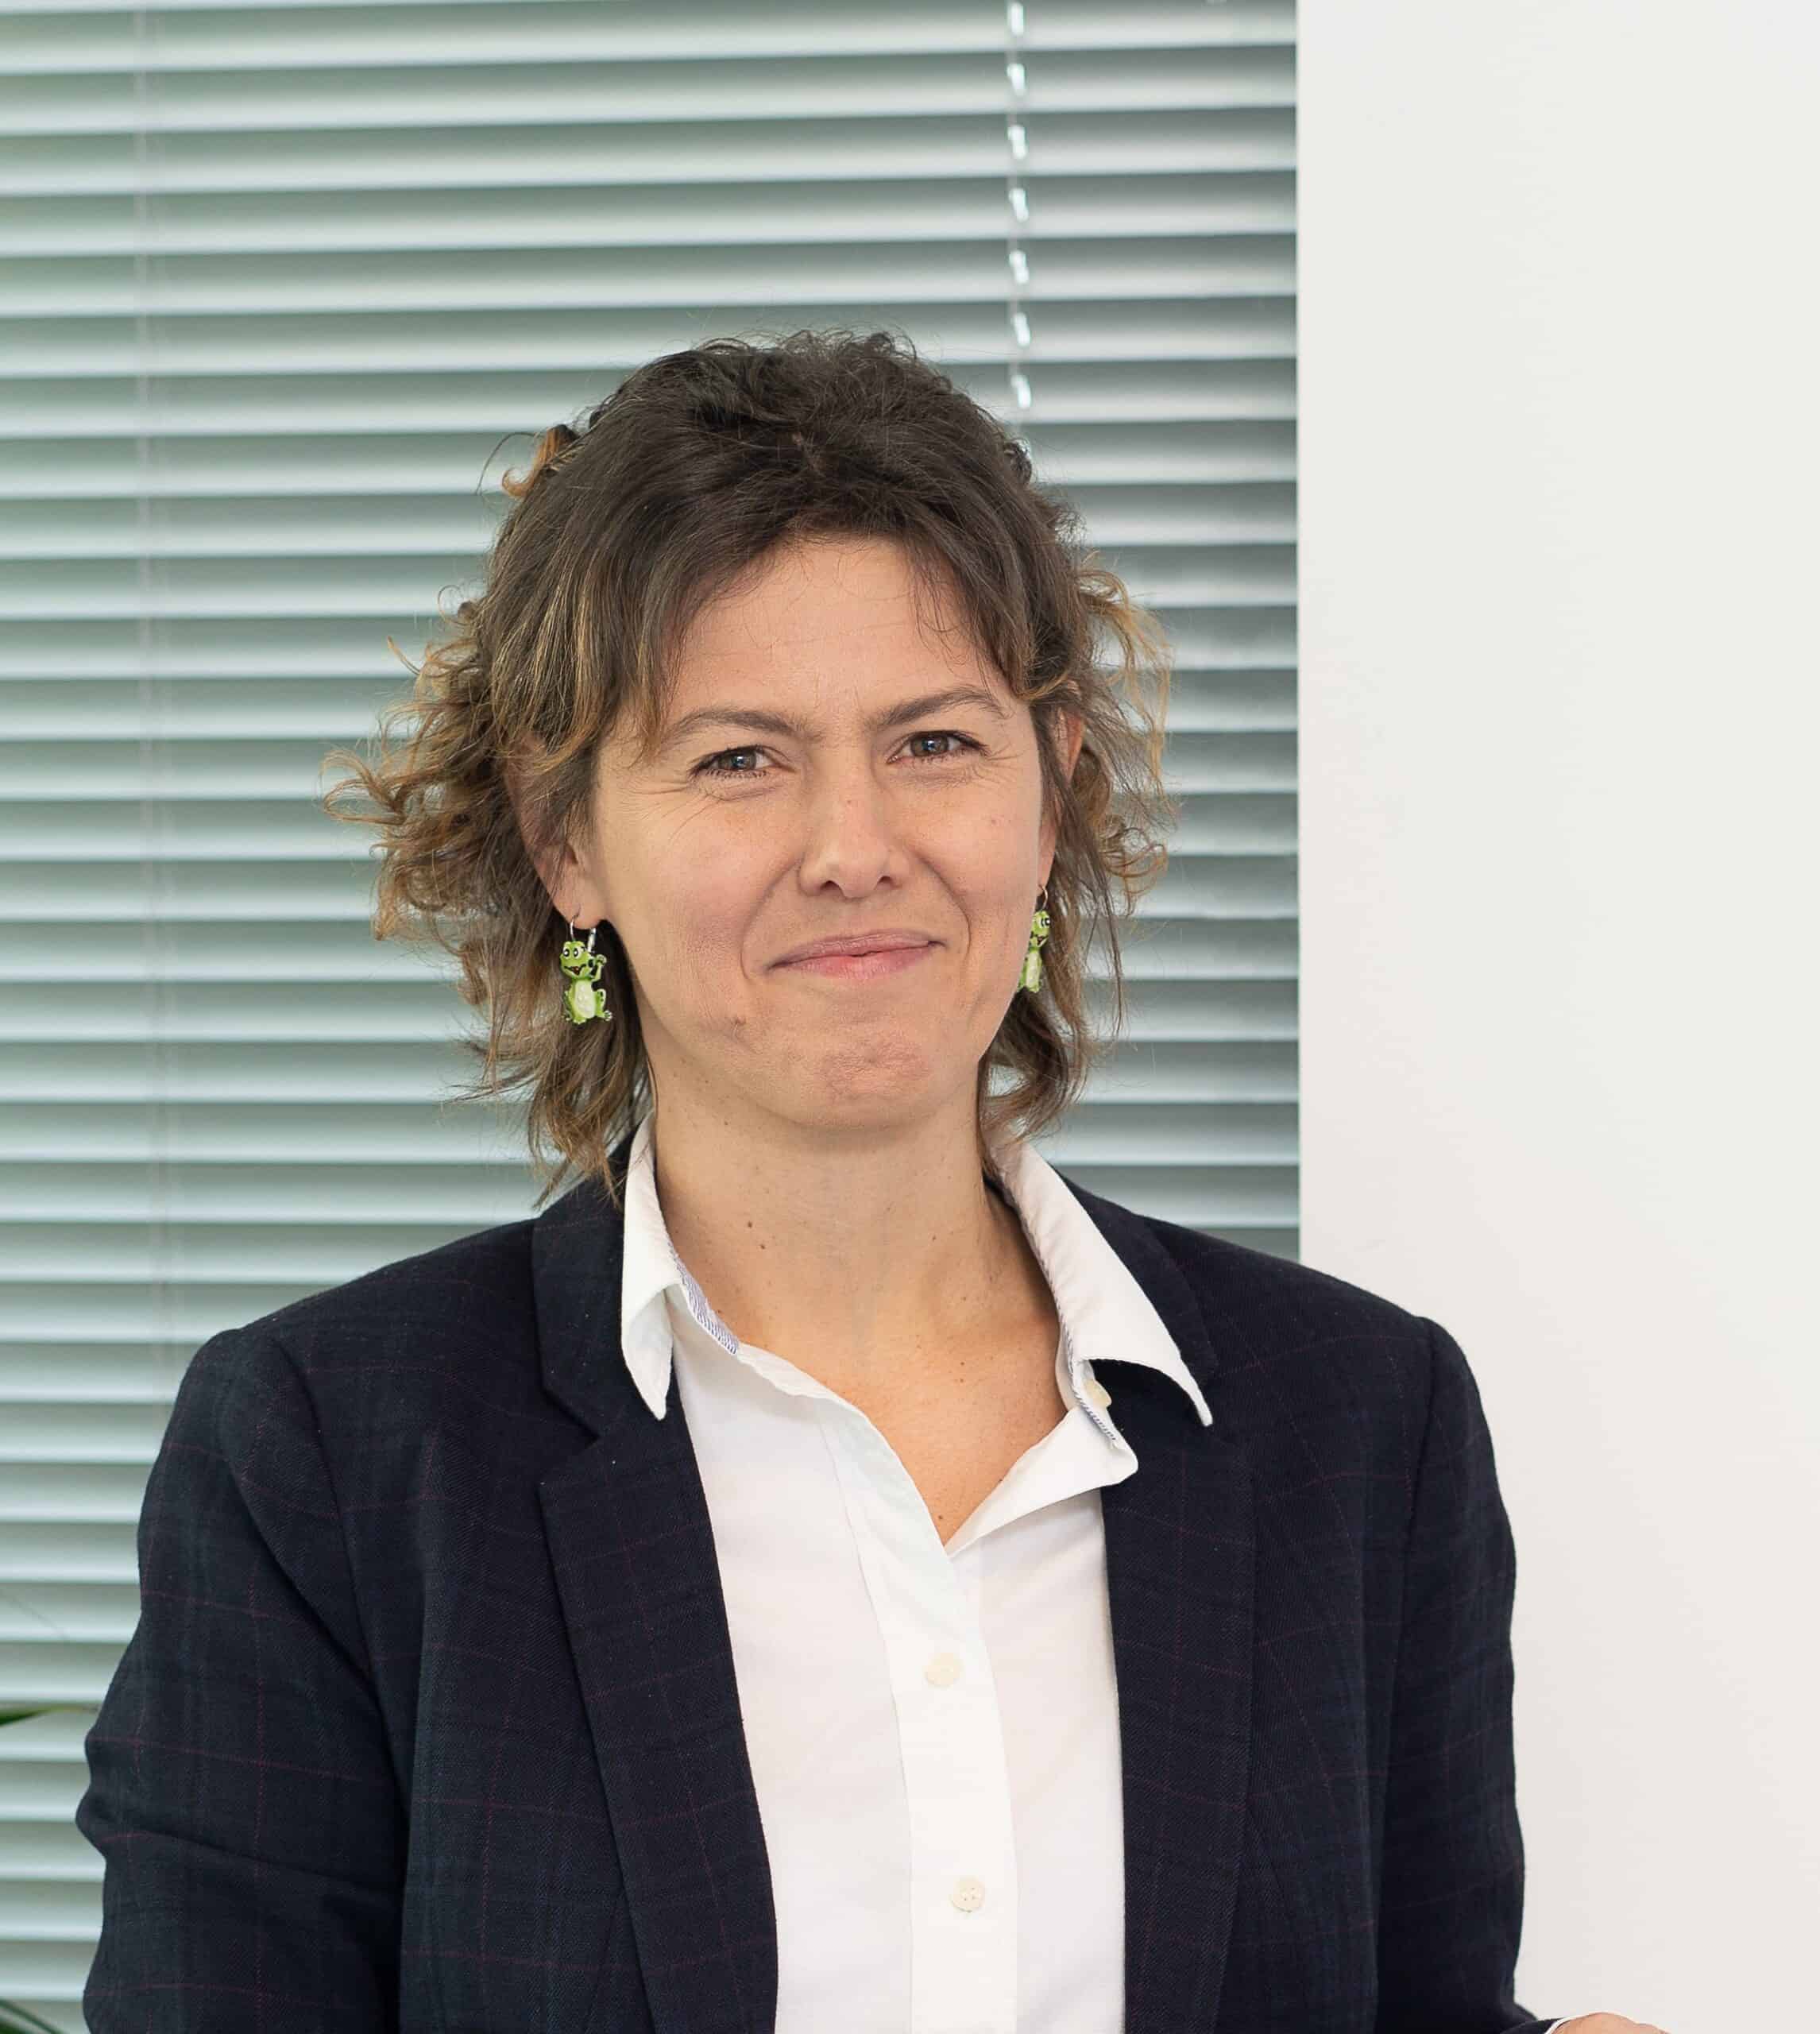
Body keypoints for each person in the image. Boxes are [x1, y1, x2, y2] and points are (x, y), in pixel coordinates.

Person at [73, 329, 1644, 2032]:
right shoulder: (329, 1454)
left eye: (935, 743)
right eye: (739, 758)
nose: (853, 847)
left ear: (1051, 794)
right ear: (564, 841)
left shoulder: (1364, 1423)